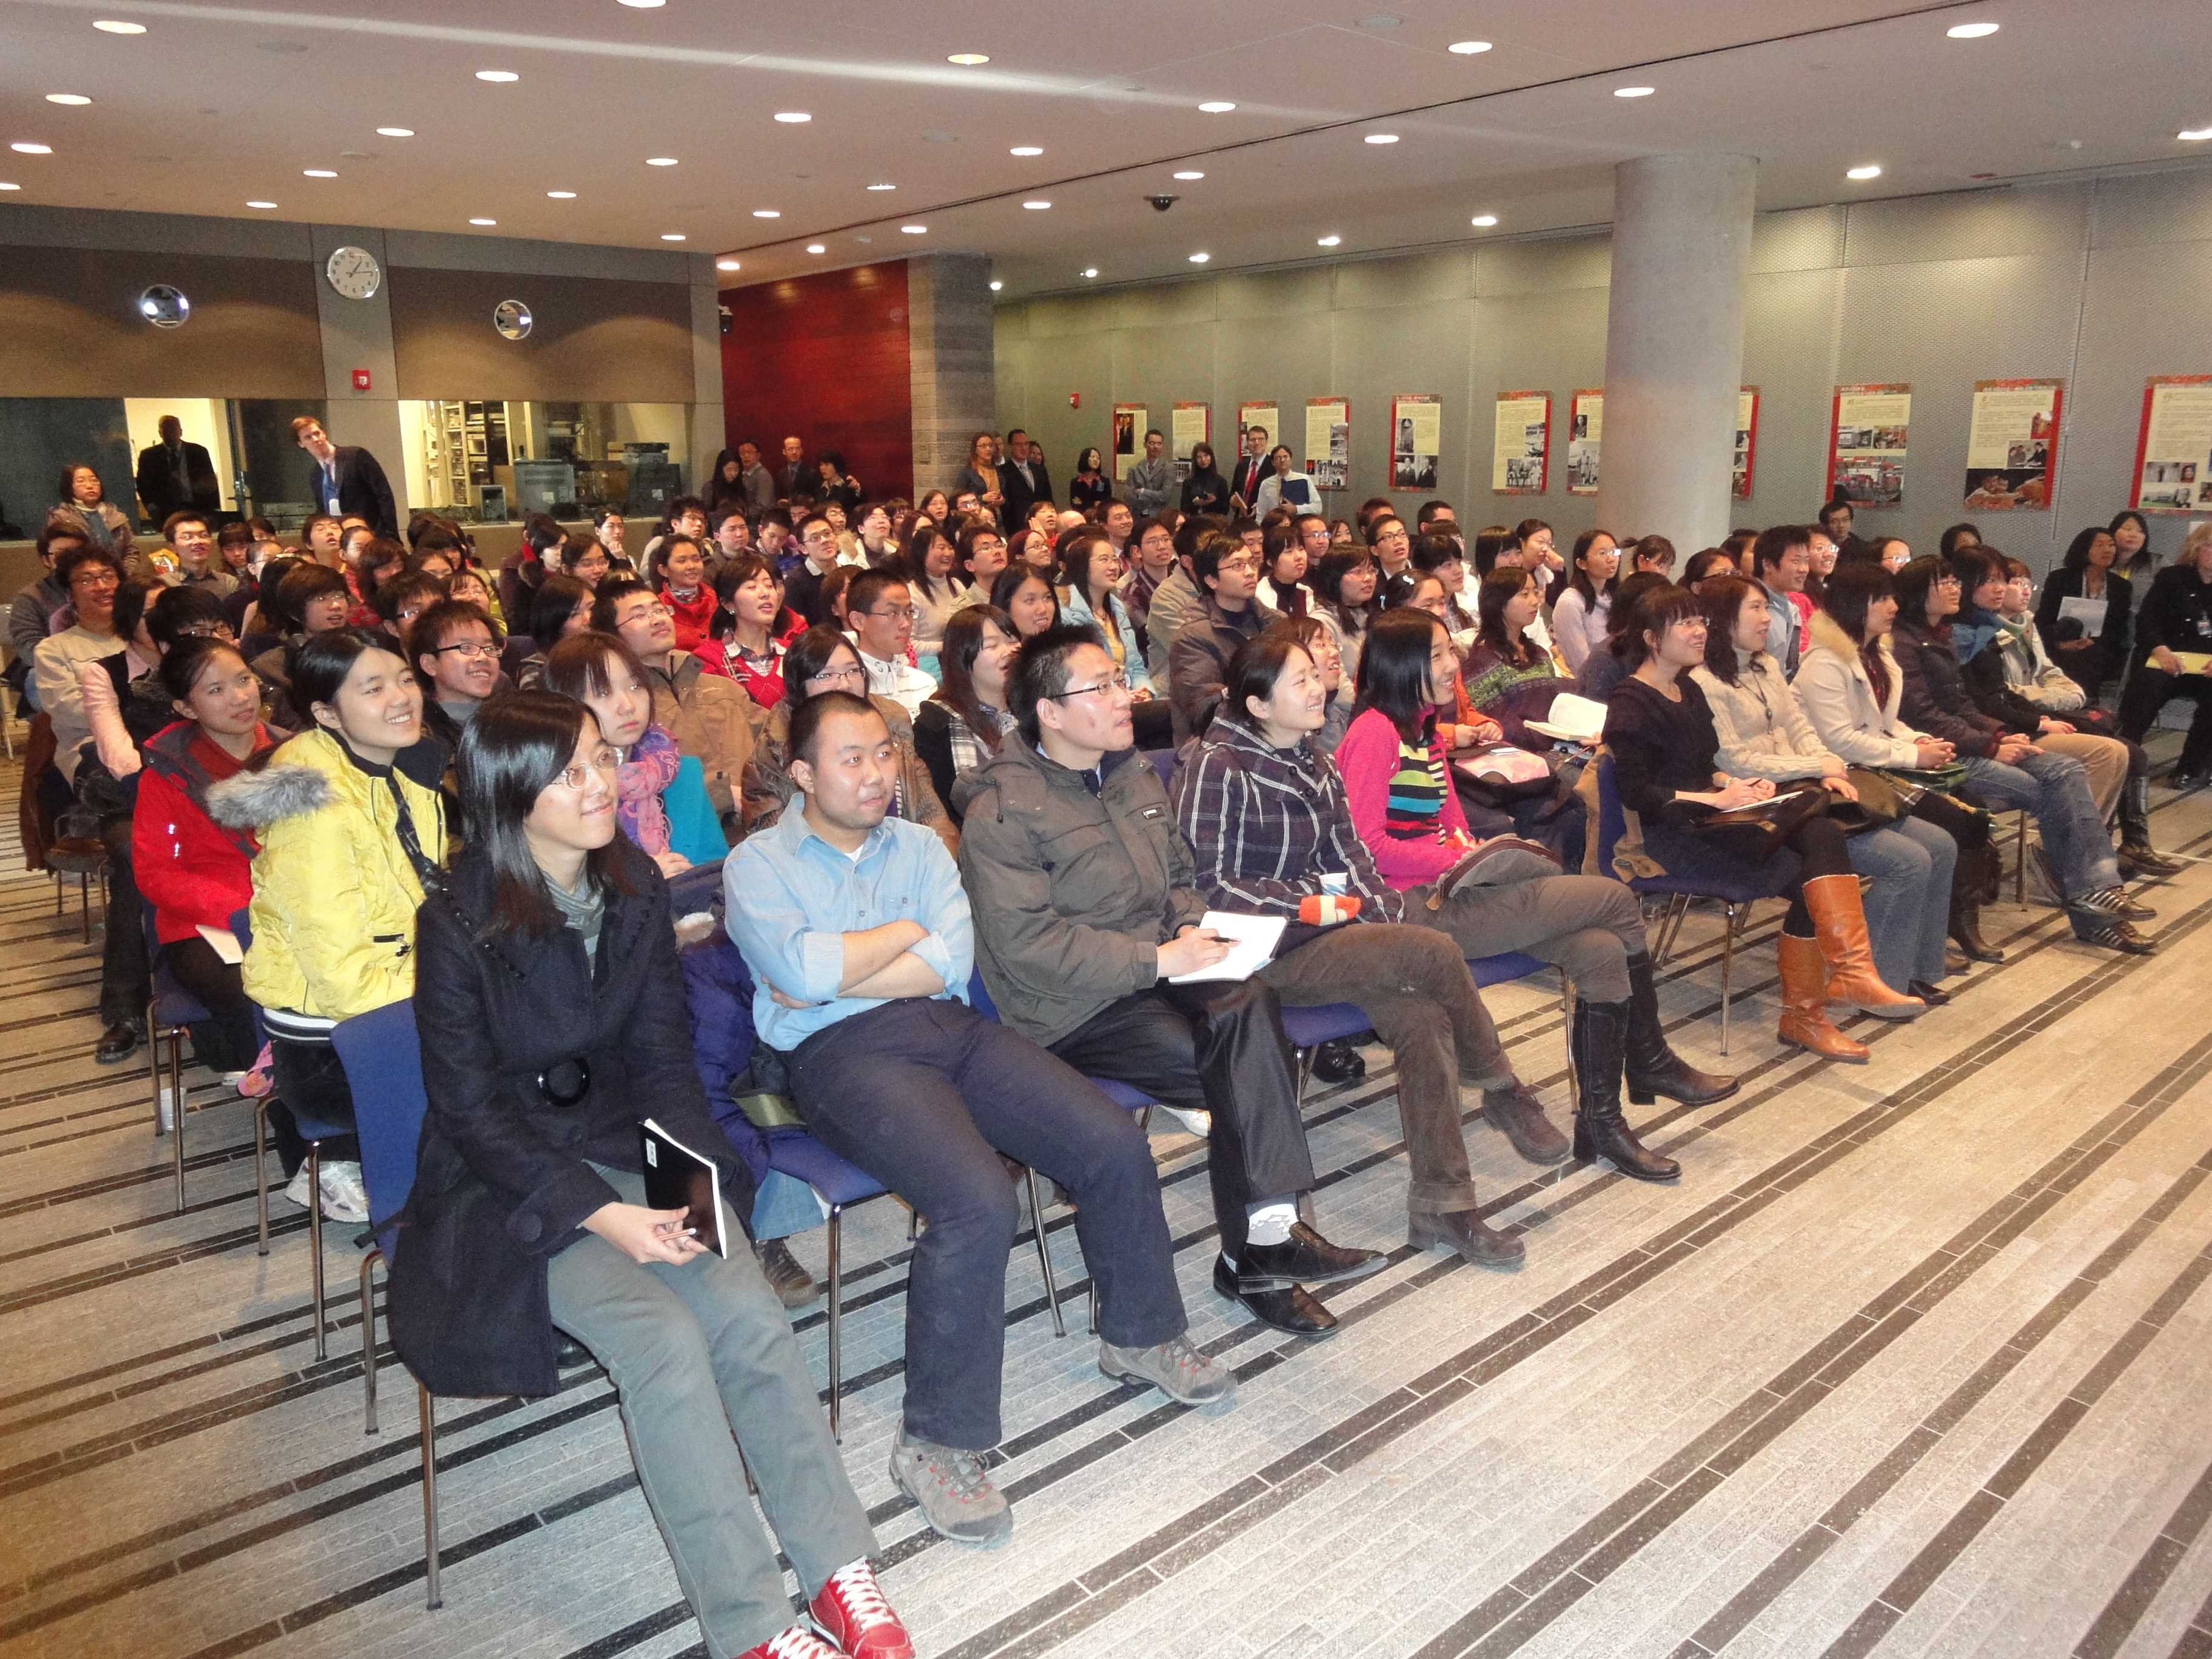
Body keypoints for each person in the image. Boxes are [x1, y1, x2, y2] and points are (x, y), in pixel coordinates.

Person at [389, 694, 907, 1659]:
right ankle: (751, 1627)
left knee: (747, 1310)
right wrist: (600, 1215)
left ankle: (839, 1567)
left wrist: (694, 1188)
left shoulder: (629, 886)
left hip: (635, 1144)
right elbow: (470, 1113)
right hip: (509, 1188)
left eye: (601, 762)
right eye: (573, 772)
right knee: (665, 1340)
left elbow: (664, 1063)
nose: (603, 785)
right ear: (512, 796)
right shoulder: (456, 920)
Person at [729, 689, 1231, 1542]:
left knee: (1109, 1142)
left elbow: (947, 959)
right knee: (975, 1199)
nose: (877, 772)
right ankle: (935, 1442)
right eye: (851, 758)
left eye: (884, 753)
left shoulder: (923, 842)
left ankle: (1140, 1335)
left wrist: (841, 963)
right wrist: (895, 940)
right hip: (840, 1057)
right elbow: (802, 974)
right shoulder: (758, 865)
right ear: (804, 773)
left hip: (951, 1026)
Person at [1182, 625, 1716, 1210]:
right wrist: (1336, 898)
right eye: (1302, 679)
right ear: (1258, 704)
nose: (1319, 687)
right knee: (1597, 905)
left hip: (1360, 919)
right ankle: (1517, 1084)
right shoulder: (1224, 765)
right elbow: (1212, 884)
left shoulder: (1318, 758)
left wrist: (1460, 861)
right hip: (1273, 945)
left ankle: (1453, 1203)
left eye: (1317, 673)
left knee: (1581, 954)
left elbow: (1358, 856)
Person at [961, 626, 1385, 1323]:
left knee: (1249, 1003)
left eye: (1119, 677)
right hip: (1073, 1007)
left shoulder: (1128, 774)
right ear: (1051, 711)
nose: (1125, 695)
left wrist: (1189, 926)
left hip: (1159, 966)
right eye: (1099, 686)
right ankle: (1260, 1255)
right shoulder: (1004, 811)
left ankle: (1265, 1245)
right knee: (1238, 1058)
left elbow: (1182, 877)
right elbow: (1026, 946)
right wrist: (1161, 958)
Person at [1337, 608, 1735, 1137]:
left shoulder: (1425, 730)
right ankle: (1649, 1059)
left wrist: (1485, 853)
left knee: (1598, 948)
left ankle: (1602, 1124)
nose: (1451, 664)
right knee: (1615, 902)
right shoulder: (1374, 733)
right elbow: (1365, 847)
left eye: (1448, 651)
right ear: (1400, 664)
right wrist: (1457, 859)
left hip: (1456, 886)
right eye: (1436, 654)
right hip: (1411, 909)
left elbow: (1450, 824)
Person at [1601, 589, 1929, 1061]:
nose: (1700, 632)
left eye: (1701, 621)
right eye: (1686, 625)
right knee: (1810, 868)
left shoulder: (1686, 687)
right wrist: (1714, 797)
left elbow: (1703, 763)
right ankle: (1819, 1003)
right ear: (1653, 639)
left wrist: (1736, 784)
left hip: (1715, 813)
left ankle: (1840, 982)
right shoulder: (1631, 702)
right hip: (1673, 834)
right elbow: (1640, 795)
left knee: (1819, 836)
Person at [207, 630, 444, 1222]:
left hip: (396, 998)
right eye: (373, 688)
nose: (401, 698)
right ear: (324, 713)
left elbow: (423, 897)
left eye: (405, 679)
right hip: (331, 1043)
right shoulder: (310, 804)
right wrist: (455, 995)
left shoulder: (403, 763)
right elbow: (340, 974)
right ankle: (342, 1159)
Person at [1691, 577, 1956, 1003]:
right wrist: (1819, 765)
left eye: (1766, 608)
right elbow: (1733, 760)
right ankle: (1878, 979)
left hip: (1809, 787)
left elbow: (1799, 726)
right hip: (1770, 802)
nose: (1767, 619)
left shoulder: (1767, 666)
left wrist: (1827, 767)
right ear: (1724, 620)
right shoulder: (1705, 682)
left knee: (1940, 844)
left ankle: (1914, 969)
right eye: (1756, 609)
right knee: (1906, 861)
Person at [1888, 557, 2153, 953]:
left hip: (1971, 742)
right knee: (2057, 784)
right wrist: (1993, 744)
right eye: (1944, 582)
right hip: (1937, 757)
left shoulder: (1939, 635)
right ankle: (2096, 904)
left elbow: (1963, 705)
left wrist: (2000, 735)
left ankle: (2096, 895)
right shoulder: (1905, 643)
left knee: (2065, 770)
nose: (1954, 588)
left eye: (1954, 580)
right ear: (1916, 594)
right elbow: (1925, 716)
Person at [1795, 562, 2009, 965]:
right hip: (1845, 778)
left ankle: (1926, 944)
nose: (1893, 606)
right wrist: (1914, 754)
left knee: (1966, 817)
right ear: (1856, 605)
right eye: (1882, 599)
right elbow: (1840, 740)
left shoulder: (1878, 654)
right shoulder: (1824, 663)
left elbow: (1887, 724)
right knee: (1952, 826)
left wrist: (1921, 740)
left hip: (1876, 767)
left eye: (1892, 597)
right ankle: (1907, 947)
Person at [133, 637, 286, 1082]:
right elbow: (156, 872)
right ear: (186, 707)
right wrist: (239, 910)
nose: (240, 697)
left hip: (291, 908)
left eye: (243, 680)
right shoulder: (169, 771)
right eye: (216, 690)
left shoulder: (293, 752)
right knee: (247, 990)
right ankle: (281, 1093)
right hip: (205, 922)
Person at [1991, 555, 2179, 879]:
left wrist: (2068, 693)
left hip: (2046, 710)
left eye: (2028, 584)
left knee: (2132, 752)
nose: (2024, 591)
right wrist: (2049, 700)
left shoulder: (2026, 622)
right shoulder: (1984, 633)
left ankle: (2112, 845)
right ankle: (2073, 850)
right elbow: (2007, 692)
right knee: (2114, 752)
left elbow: (2048, 672)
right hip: (2021, 719)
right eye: (2016, 583)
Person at [1948, 545, 2129, 828]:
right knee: (2102, 755)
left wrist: (2044, 715)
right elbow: (1981, 702)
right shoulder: (1961, 636)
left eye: (2003, 580)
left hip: (2012, 719)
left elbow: (2011, 688)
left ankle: (2084, 848)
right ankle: (2071, 851)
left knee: (2122, 752)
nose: (2001, 588)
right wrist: (2037, 723)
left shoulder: (1991, 627)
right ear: (1966, 584)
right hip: (1994, 732)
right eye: (1990, 581)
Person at [741, 626, 953, 853]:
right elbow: (776, 845)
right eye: (827, 675)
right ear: (799, 685)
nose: (844, 684)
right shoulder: (774, 749)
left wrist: (935, 864)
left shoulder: (893, 724)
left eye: (853, 671)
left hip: (904, 863)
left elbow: (933, 818)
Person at [596, 580, 763, 840]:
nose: (656, 619)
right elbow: (626, 787)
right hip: (679, 843)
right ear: (613, 636)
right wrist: (722, 793)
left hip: (758, 831)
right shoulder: (624, 710)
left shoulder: (722, 688)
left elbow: (774, 741)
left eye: (660, 610)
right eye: (639, 615)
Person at [543, 632, 708, 877]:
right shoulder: (557, 792)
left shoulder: (681, 771)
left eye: (635, 686)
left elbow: (716, 872)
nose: (628, 705)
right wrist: (645, 881)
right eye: (603, 692)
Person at [2119, 520, 2212, 791]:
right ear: (2197, 549)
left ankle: (2192, 766)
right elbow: (2148, 620)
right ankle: (2126, 755)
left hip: (2206, 666)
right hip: (2166, 656)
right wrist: (2161, 650)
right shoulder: (2172, 577)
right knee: (2148, 685)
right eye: (2209, 546)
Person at [1167, 532, 1275, 744]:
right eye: (1237, 566)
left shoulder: (1276, 623)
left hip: (1273, 735)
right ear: (1211, 580)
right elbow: (1204, 707)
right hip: (1217, 746)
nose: (1250, 572)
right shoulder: (1192, 638)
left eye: (1252, 563)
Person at [914, 605, 1017, 824]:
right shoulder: (935, 724)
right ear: (962, 657)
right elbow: (940, 811)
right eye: (992, 645)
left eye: (1012, 641)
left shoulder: (1036, 710)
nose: (1009, 651)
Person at [1461, 566, 1566, 749]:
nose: (1535, 601)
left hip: (1556, 746)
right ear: (1499, 603)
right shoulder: (1482, 661)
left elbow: (1554, 706)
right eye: (1524, 595)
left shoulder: (1540, 653)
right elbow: (1496, 723)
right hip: (1517, 754)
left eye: (1535, 592)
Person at [2036, 525, 2134, 704]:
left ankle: (2080, 703)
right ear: (2083, 550)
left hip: (2101, 648)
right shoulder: (2060, 579)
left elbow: (2118, 630)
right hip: (2058, 643)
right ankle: (2079, 703)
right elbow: (2043, 620)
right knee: (2074, 657)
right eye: (2100, 545)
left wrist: (2089, 642)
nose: (2108, 550)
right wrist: (2061, 644)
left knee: (2090, 654)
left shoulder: (2121, 587)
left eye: (2111, 545)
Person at [699, 553, 794, 708]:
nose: (765, 593)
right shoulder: (708, 660)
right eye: (752, 587)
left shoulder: (793, 652)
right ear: (728, 604)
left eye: (769, 586)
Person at [409, 597, 503, 750]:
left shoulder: (510, 720)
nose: (483, 657)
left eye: (489, 648)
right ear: (430, 664)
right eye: (466, 648)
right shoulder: (419, 734)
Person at [846, 569, 936, 719]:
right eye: (892, 613)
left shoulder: (925, 685)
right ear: (858, 621)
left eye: (909, 612)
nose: (905, 624)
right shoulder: (848, 687)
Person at [291, 415, 397, 537]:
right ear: (301, 444)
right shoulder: (316, 475)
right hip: (340, 538)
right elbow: (323, 511)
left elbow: (384, 495)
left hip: (371, 532)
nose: (315, 439)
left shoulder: (355, 456)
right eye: (308, 437)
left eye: (317, 433)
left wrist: (390, 534)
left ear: (324, 434)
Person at [1310, 546, 1381, 697]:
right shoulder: (1322, 622)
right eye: (1357, 572)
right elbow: (1340, 691)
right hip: (1345, 713)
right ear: (1335, 578)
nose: (1368, 578)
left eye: (1371, 570)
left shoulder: (1372, 614)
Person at [1551, 529, 1619, 672]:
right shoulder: (1570, 602)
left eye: (1614, 552)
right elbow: (1582, 664)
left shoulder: (1613, 597)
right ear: (1582, 563)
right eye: (1602, 553)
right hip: (1589, 683)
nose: (1611, 559)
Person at [1748, 525, 1812, 675]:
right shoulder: (1748, 607)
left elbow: (1790, 664)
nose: (1804, 569)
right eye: (1796, 561)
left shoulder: (1791, 609)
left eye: (1806, 561)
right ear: (1768, 564)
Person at [515, 574, 595, 692]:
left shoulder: (614, 653)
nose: (588, 618)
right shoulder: (536, 670)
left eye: (592, 608)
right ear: (555, 622)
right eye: (574, 614)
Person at [903, 523, 965, 674]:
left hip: (957, 659)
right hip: (928, 666)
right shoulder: (912, 593)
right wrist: (945, 646)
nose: (948, 553)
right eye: (941, 548)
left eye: (950, 547)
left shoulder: (957, 585)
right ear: (922, 552)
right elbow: (909, 644)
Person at [135, 415, 220, 523]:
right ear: (160, 433)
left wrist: (213, 506)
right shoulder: (149, 456)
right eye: (166, 430)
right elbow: (143, 484)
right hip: (165, 509)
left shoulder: (198, 452)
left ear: (180, 432)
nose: (170, 433)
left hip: (197, 506)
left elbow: (209, 480)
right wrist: (151, 506)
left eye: (173, 429)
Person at [49, 463, 138, 562]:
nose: (90, 486)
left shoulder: (116, 516)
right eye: (81, 481)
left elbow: (132, 552)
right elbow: (59, 557)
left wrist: (121, 575)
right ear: (69, 487)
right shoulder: (61, 517)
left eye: (94, 480)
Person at [657, 535, 717, 653]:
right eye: (682, 561)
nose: (692, 566)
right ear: (664, 570)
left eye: (696, 559)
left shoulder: (716, 599)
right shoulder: (658, 608)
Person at [991, 565, 1061, 640]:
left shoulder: (1068, 647)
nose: (1043, 609)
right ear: (1005, 607)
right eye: (1030, 600)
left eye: (1047, 598)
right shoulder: (989, 650)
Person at [954, 432, 1008, 529]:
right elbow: (957, 499)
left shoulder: (999, 471)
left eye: (990, 446)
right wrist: (982, 498)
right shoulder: (967, 472)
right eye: (983, 446)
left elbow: (1006, 496)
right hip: (976, 520)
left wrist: (1002, 500)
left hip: (997, 518)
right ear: (975, 450)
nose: (988, 449)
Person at [1250, 445, 1320, 518]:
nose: (1282, 460)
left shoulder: (1304, 480)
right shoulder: (1266, 484)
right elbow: (1261, 514)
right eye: (1278, 458)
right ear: (1273, 463)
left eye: (1286, 457)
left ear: (1291, 460)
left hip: (1298, 524)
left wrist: (1296, 509)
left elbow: (1318, 508)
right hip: (1275, 527)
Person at [1123, 429, 1174, 519]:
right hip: (1137, 517)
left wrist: (1142, 492)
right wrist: (1155, 497)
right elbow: (1128, 497)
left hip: (1159, 517)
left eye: (1159, 444)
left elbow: (1165, 496)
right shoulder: (1134, 469)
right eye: (1152, 443)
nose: (1156, 447)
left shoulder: (1169, 468)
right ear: (1145, 445)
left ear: (1162, 446)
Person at [1227, 427, 1269, 514]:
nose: (1257, 443)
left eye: (1261, 439)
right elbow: (1234, 492)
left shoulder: (1273, 466)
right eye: (1253, 440)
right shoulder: (1241, 466)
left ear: (1266, 441)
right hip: (1242, 518)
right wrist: (1232, 500)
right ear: (1247, 443)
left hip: (1264, 518)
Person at [1181, 441, 1228, 516]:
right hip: (1195, 522)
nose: (1203, 460)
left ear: (1211, 457)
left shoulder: (1221, 481)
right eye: (1199, 457)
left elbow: (1225, 510)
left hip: (1215, 523)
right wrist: (1194, 503)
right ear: (1195, 460)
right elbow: (1183, 509)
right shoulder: (1188, 482)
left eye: (1206, 455)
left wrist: (1213, 501)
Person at [2109, 508, 2156, 584]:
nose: (2134, 535)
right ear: (2113, 532)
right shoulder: (2099, 560)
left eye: (2140, 531)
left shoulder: (2156, 563)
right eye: (2127, 529)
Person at [1067, 447, 1112, 514]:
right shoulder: (1076, 482)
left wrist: (1083, 503)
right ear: (1085, 459)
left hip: (1100, 517)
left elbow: (1106, 504)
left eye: (1098, 458)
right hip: (1081, 517)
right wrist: (1093, 504)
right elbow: (1075, 504)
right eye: (1093, 457)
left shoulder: (1103, 481)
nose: (1096, 460)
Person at [775, 435, 809, 501]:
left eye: (797, 449)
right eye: (790, 449)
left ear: (802, 451)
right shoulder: (780, 475)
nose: (794, 452)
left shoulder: (811, 474)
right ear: (784, 452)